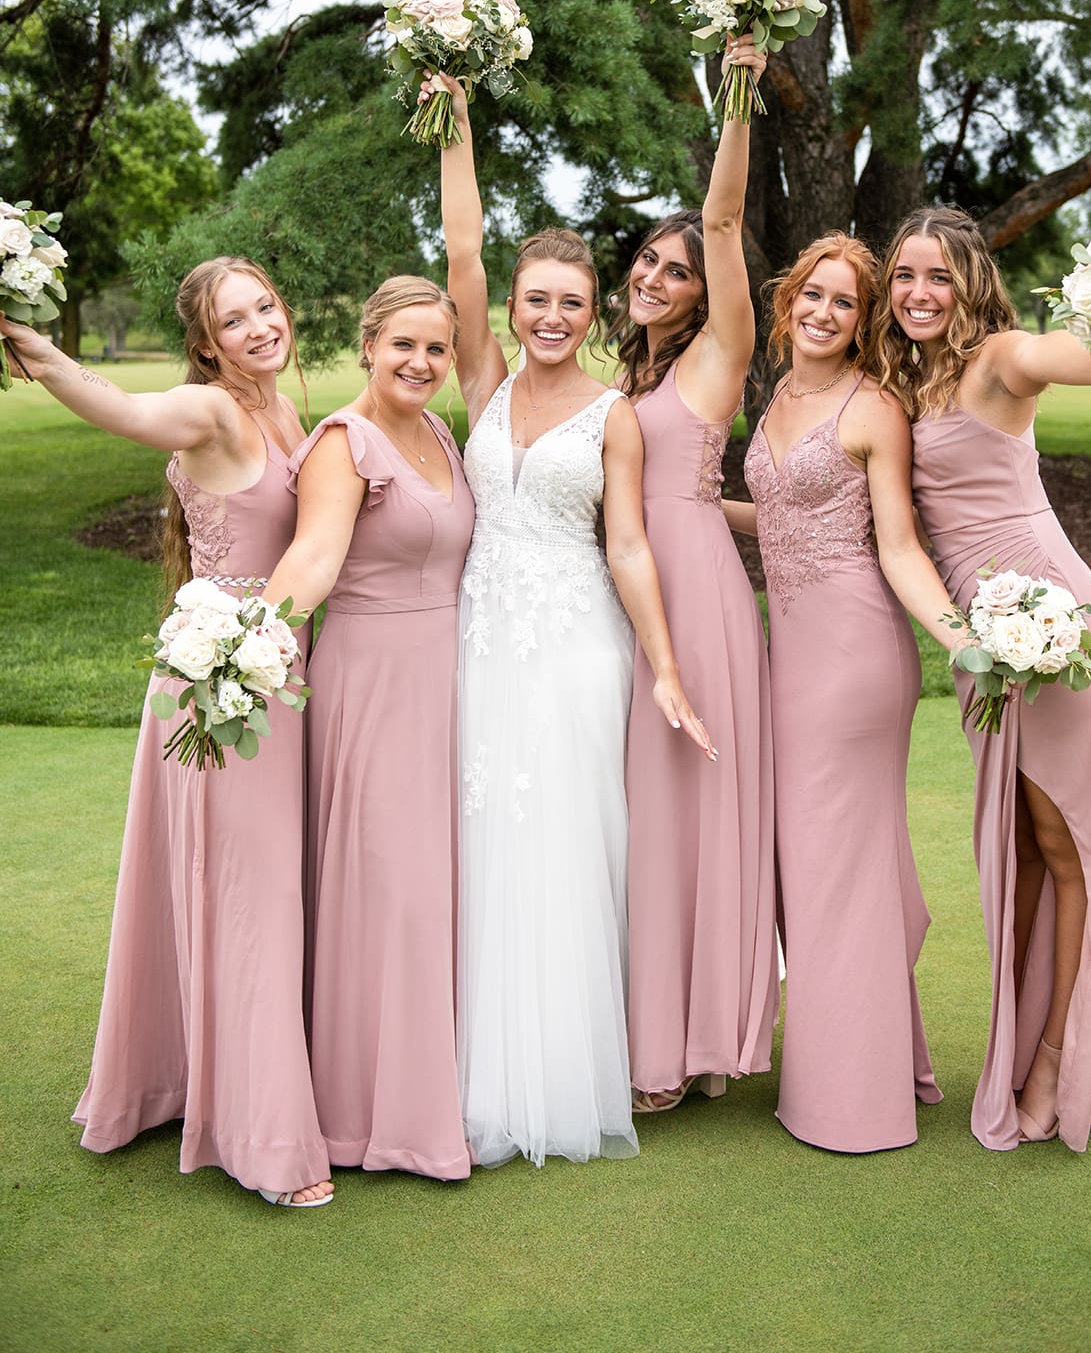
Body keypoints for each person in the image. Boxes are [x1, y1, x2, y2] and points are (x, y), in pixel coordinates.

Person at [1, 260, 333, 1207]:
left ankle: (182, 1082)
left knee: (249, 890)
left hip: (274, 678)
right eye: (237, 321)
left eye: (267, 305)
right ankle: (266, 1142)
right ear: (207, 345)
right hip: (221, 684)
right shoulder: (214, 412)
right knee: (252, 899)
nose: (261, 326)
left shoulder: (285, 414)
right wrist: (31, 343)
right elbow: (119, 409)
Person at [435, 71, 713, 1168]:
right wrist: (455, 125)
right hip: (481, 643)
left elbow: (631, 546)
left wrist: (665, 668)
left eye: (570, 302)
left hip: (573, 652)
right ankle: (465, 1066)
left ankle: (563, 1078)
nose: (551, 316)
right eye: (533, 298)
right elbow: (459, 249)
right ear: (510, 306)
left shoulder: (617, 418)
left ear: (593, 314)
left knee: (565, 851)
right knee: (481, 844)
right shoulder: (486, 385)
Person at [868, 206, 1091, 1152]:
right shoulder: (899, 381)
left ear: (971, 285)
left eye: (937, 277)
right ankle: (1020, 1048)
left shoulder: (1001, 356)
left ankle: (1056, 1057)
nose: (918, 294)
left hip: (1058, 626)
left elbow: (1076, 358)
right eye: (904, 277)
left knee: (1062, 837)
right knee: (1017, 846)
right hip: (979, 639)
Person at [725, 233, 963, 1153]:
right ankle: (875, 1054)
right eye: (812, 297)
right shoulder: (781, 393)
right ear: (789, 304)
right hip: (793, 657)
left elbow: (898, 545)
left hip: (857, 657)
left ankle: (849, 1102)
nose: (824, 313)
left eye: (845, 303)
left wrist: (962, 643)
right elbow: (780, 512)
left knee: (836, 870)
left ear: (864, 323)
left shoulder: (874, 409)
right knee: (819, 862)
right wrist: (685, 506)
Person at [264, 276, 472, 1181]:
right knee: (393, 890)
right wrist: (245, 640)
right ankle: (367, 1117)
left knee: (436, 888)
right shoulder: (343, 444)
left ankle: (433, 1090)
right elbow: (310, 559)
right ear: (368, 345)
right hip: (371, 683)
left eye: (436, 349)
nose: (421, 363)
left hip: (444, 680)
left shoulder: (441, 434)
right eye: (404, 347)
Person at [609, 37, 777, 1112]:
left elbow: (722, 219)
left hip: (702, 605)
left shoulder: (721, 352)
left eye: (676, 269)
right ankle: (667, 1025)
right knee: (643, 814)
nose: (656, 277)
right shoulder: (623, 370)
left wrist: (739, 93)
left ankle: (698, 1042)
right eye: (648, 262)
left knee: (695, 809)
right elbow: (666, 490)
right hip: (629, 598)